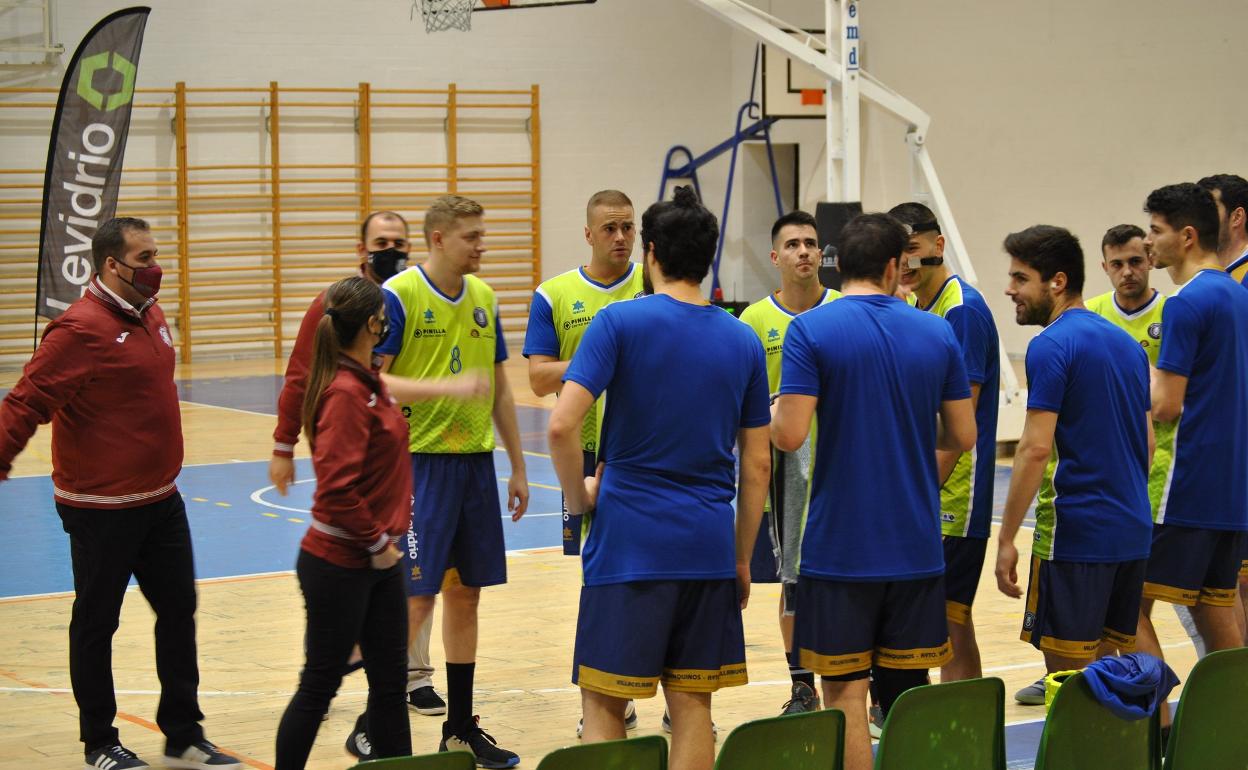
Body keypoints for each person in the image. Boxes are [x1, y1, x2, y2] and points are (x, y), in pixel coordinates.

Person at [0, 218, 239, 770]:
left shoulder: (150, 313)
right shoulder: (77, 330)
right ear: (112, 264)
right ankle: (100, 741)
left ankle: (183, 731)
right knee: (96, 622)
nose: (155, 267)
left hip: (161, 500)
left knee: (179, 611)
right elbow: (25, 401)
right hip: (100, 509)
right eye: (145, 256)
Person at [548, 186, 770, 770]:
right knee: (692, 704)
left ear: (650, 253)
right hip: (707, 546)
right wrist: (742, 559)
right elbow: (758, 464)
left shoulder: (618, 323)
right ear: (709, 256)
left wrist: (579, 500)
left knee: (603, 703)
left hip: (628, 545)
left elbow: (560, 426)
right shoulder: (742, 336)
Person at [772, 212, 976, 770]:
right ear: (894, 267)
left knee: (844, 696)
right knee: (908, 695)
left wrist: (768, 414)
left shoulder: (811, 329)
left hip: (840, 550)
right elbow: (963, 434)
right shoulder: (936, 331)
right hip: (914, 546)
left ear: (840, 264)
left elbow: (789, 434)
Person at [267, 211, 450, 728]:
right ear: (362, 249)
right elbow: (300, 377)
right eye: (381, 242)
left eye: (399, 242)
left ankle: (413, 677)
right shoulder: (332, 311)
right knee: (354, 565)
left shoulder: (419, 298)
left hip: (410, 453)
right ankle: (326, 674)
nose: (391, 249)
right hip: (355, 459)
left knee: (413, 566)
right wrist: (283, 444)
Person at [374, 194, 529, 768]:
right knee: (416, 601)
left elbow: (501, 388)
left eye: (482, 234)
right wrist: (444, 389)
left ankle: (460, 729)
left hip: (474, 467)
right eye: (471, 236)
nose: (481, 245)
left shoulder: (485, 298)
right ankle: (377, 723)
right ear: (439, 239)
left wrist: (516, 463)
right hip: (417, 465)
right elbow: (373, 386)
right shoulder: (400, 297)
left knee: (466, 595)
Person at [995, 225, 1154, 705]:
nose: (1010, 289)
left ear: (1056, 282)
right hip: (1131, 531)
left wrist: (1005, 538)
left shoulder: (1051, 345)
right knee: (1115, 673)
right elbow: (1145, 442)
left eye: (1021, 279)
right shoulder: (1126, 344)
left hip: (1077, 536)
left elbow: (1034, 449)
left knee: (1070, 686)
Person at [273, 277, 412, 769]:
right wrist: (377, 542)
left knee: (392, 684)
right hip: (342, 563)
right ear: (375, 323)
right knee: (319, 686)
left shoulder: (367, 380)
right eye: (383, 315)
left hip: (377, 561)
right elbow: (335, 489)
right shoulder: (346, 394)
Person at [523, 189, 645, 737]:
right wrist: (600, 360)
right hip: (587, 453)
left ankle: (665, 688)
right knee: (601, 578)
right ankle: (605, 698)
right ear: (589, 234)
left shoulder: (654, 284)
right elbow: (539, 376)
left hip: (645, 452)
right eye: (611, 228)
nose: (621, 237)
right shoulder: (553, 295)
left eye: (628, 227)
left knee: (655, 575)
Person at [1133, 184, 1248, 720]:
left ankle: (1156, 730)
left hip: (1184, 483)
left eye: (1155, 230)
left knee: (1124, 605)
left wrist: (1132, 376)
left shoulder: (1185, 303)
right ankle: (1233, 729)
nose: (1148, 242)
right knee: (1217, 606)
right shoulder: (1237, 294)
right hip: (1232, 485)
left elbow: (1166, 405)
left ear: (1186, 235)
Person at [890, 201, 1000, 686]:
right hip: (925, 486)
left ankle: (968, 726)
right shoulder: (917, 307)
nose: (907, 263)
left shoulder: (964, 311)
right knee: (938, 615)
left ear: (938, 245)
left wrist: (921, 488)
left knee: (951, 617)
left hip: (955, 490)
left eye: (914, 249)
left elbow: (961, 419)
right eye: (899, 253)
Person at [737, 209, 839, 715]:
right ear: (775, 257)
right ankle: (803, 686)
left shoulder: (844, 310)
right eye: (793, 244)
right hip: (783, 480)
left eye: (811, 243)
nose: (804, 251)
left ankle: (865, 684)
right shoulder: (754, 321)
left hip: (842, 473)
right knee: (792, 582)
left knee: (845, 583)